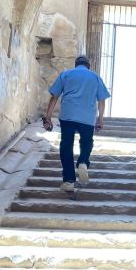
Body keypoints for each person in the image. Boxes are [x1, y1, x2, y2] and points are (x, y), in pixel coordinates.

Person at [42, 55, 110, 192]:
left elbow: (54, 96)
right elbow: (102, 100)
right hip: (87, 117)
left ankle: (68, 181)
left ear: (76, 64)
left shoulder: (66, 74)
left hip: (68, 115)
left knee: (66, 146)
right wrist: (100, 119)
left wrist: (48, 117)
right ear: (88, 65)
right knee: (86, 142)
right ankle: (83, 161)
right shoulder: (95, 77)